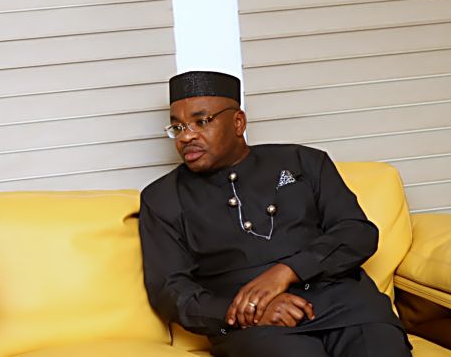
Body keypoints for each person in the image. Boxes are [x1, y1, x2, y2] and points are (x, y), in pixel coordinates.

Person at [139, 71, 411, 357]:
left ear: (238, 122)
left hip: (346, 305)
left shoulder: (304, 161)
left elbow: (357, 233)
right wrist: (248, 311)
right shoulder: (162, 198)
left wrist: (288, 271)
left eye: (201, 121)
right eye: (177, 127)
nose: (187, 136)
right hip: (255, 327)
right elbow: (169, 290)